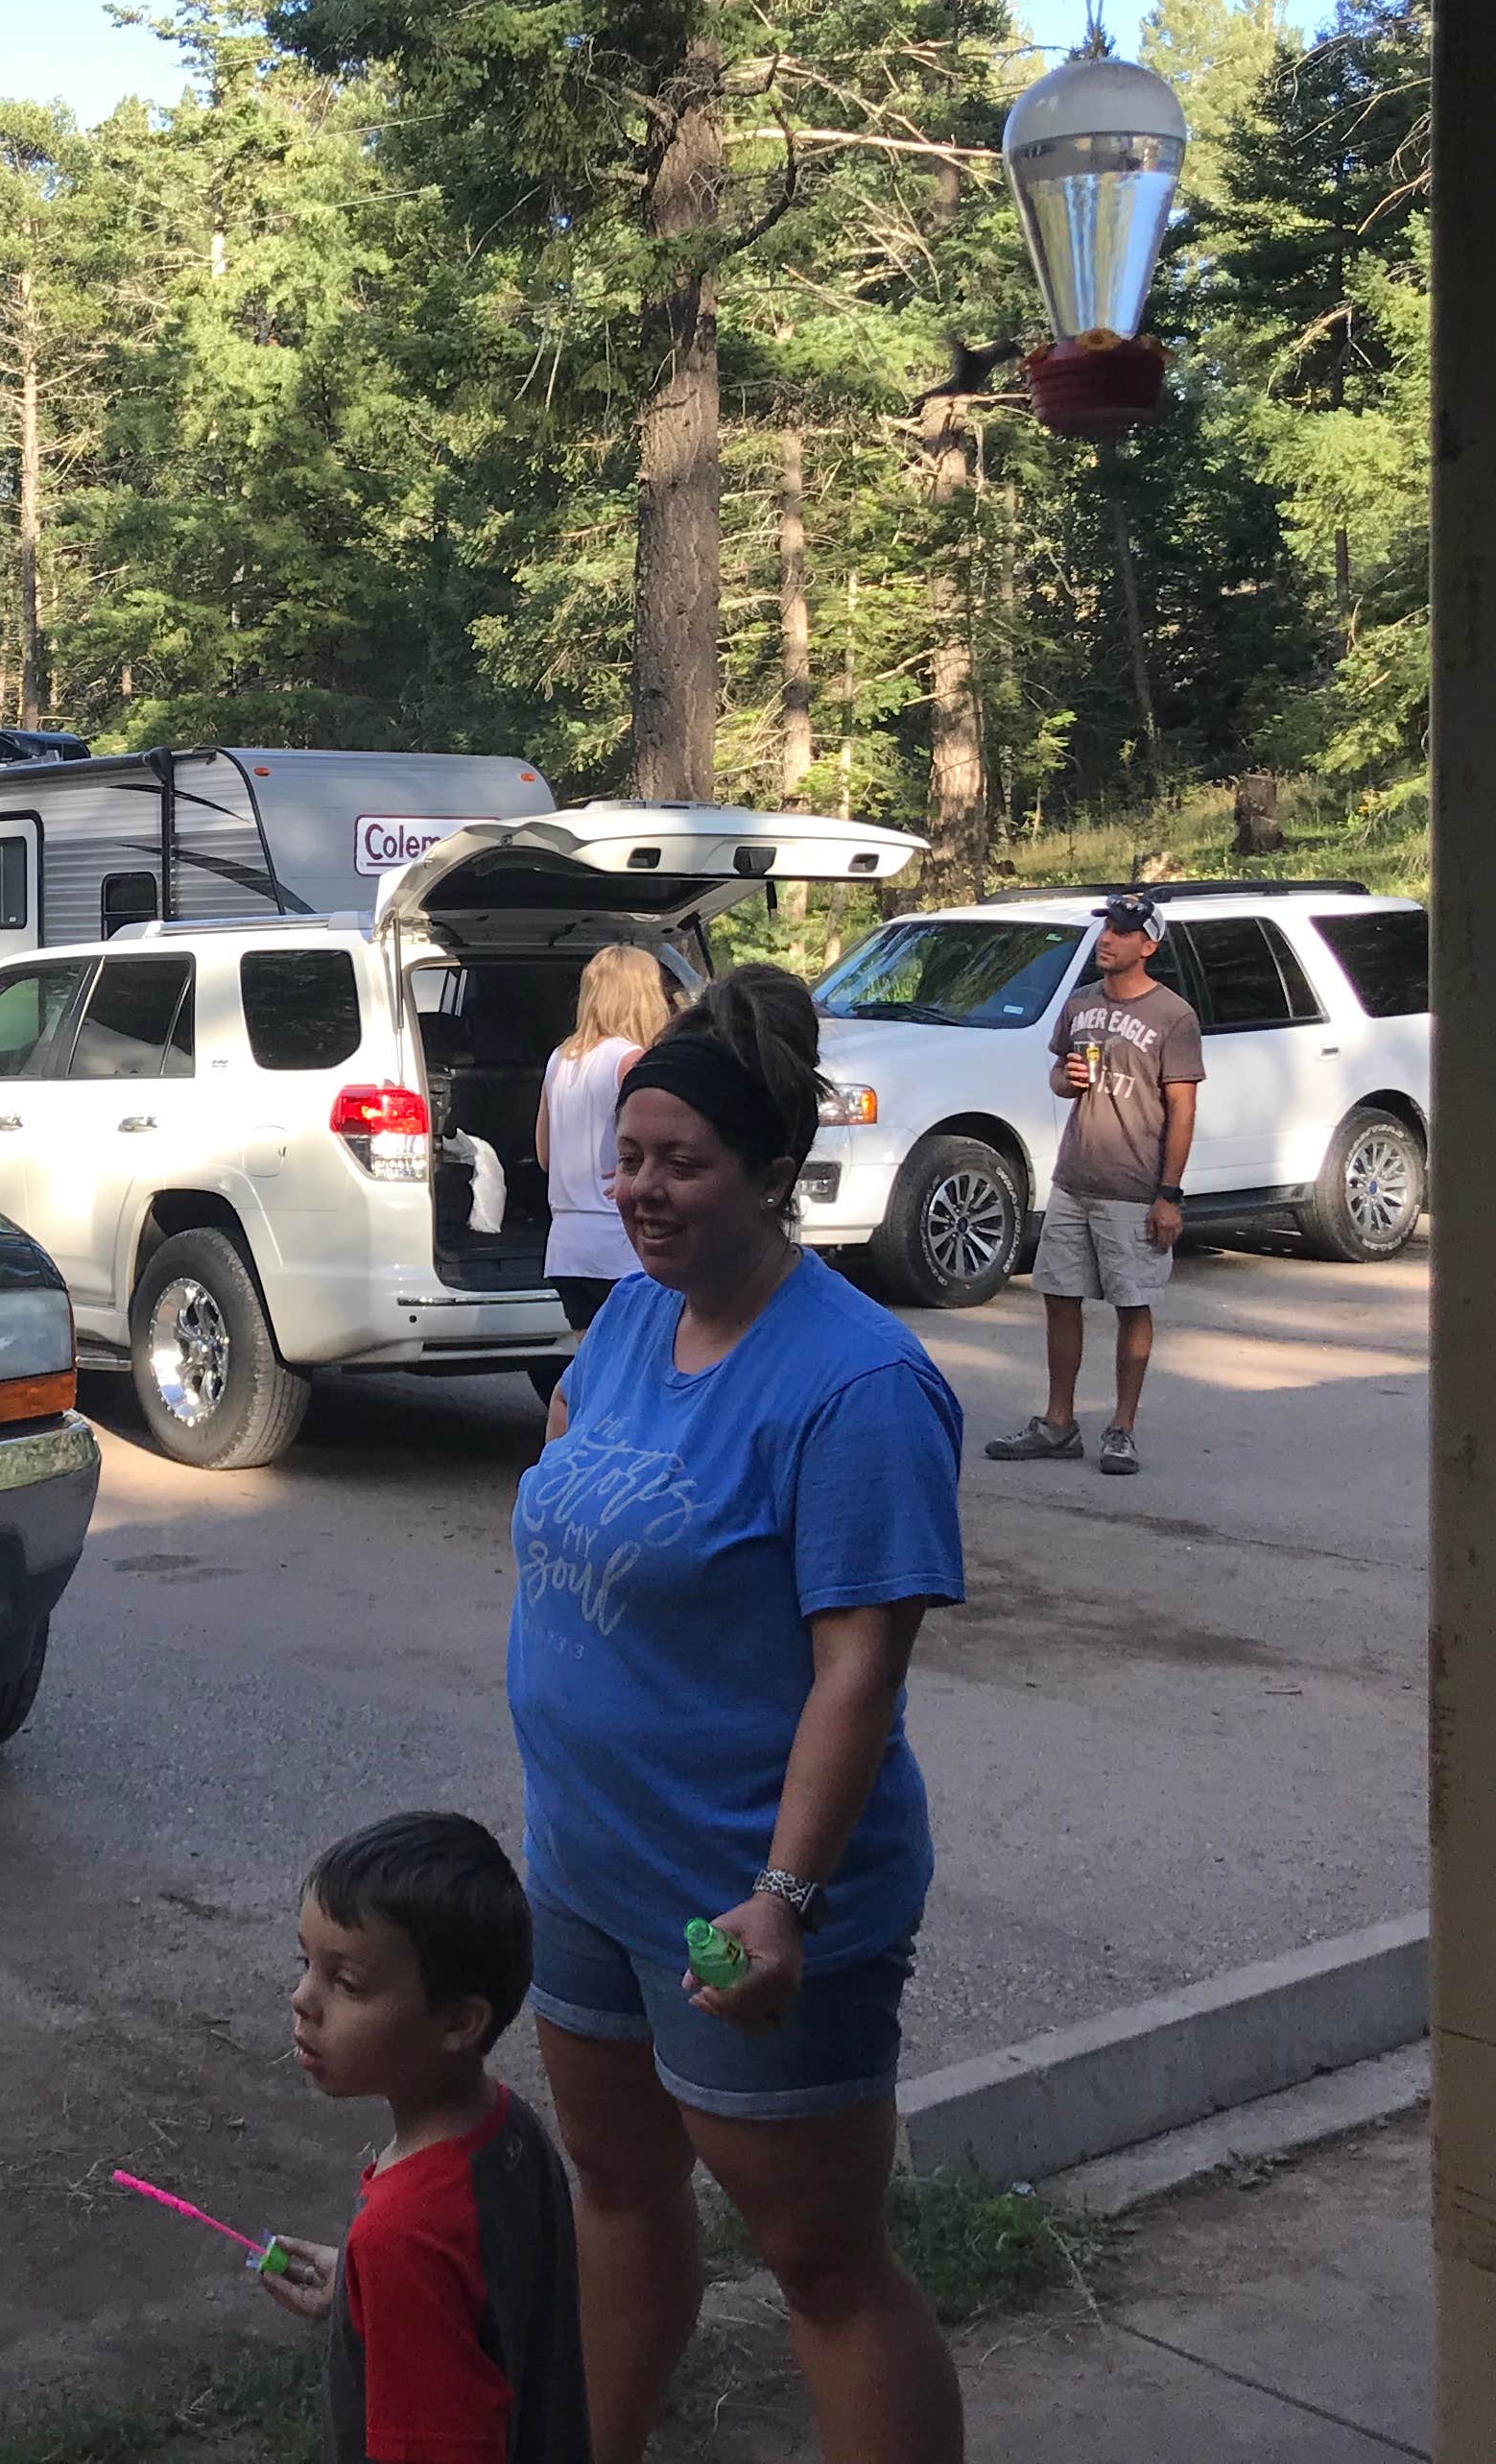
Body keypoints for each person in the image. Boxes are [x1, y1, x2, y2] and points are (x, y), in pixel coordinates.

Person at [507, 967, 967, 2464]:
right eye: (628, 1157)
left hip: (746, 1895)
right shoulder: (636, 1321)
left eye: (681, 1164)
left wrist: (784, 1900)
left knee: (821, 2266)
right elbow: (574, 1462)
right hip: (588, 1868)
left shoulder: (858, 1387)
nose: (641, 1190)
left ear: (776, 1177)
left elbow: (860, 1669)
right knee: (617, 2188)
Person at [257, 1810, 590, 2464]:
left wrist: (392, 2276)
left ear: (459, 2021)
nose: (303, 1998)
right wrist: (370, 2302)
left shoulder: (404, 2233)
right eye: (307, 1964)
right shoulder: (510, 2130)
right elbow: (491, 2305)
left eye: (346, 1982)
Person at [984, 892, 1201, 1479]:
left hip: (1135, 1188)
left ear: (1148, 946)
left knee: (1133, 1304)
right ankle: (1059, 1423)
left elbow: (1182, 1109)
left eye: (1123, 932)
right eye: (1106, 928)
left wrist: (1169, 1194)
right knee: (1060, 1296)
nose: (1107, 938)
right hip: (1074, 1180)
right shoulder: (1079, 1004)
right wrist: (1067, 1078)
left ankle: (1122, 1429)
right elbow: (1058, 1074)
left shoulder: (1173, 1016)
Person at [530, 945, 677, 1402]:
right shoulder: (631, 1061)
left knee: (594, 1372)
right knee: (639, 1376)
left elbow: (544, 1155)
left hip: (568, 1247)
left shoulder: (560, 1059)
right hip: (620, 1245)